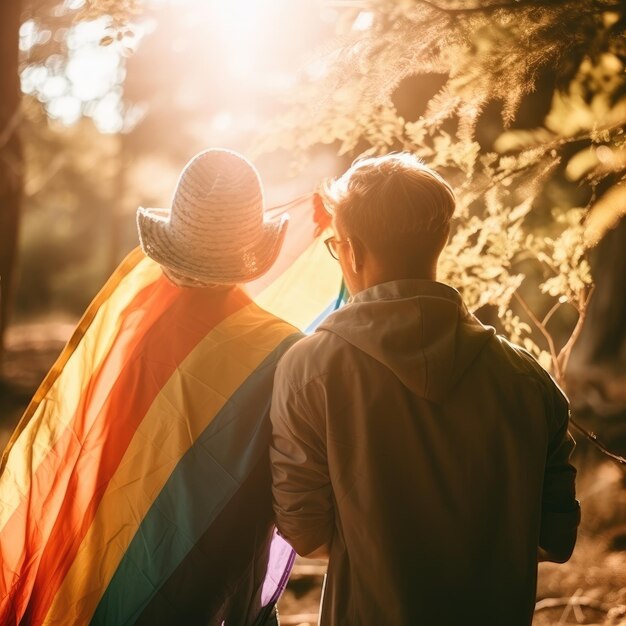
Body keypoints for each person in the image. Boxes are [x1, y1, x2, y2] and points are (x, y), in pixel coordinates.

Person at [269, 153, 580, 625]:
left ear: (350, 250)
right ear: (444, 240)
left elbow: (305, 531)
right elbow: (555, 533)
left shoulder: (310, 369)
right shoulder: (528, 381)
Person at [0, 149, 301, 625]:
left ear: (174, 245)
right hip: (216, 577)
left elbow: (92, 442)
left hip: (112, 553)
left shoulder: (135, 322)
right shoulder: (282, 348)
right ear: (249, 252)